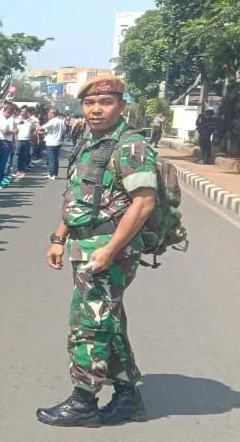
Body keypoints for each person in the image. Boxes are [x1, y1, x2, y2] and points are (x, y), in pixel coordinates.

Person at [39, 75, 156, 427]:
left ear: (121, 105)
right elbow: (77, 197)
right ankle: (127, 398)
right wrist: (58, 237)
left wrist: (109, 249)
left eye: (104, 103)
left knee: (89, 324)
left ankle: (84, 401)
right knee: (111, 322)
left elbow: (144, 203)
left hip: (109, 251)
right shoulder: (91, 142)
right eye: (89, 103)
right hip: (84, 245)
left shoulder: (129, 146)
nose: (95, 109)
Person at [43, 108, 66, 179]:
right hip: (57, 142)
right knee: (55, 159)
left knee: (51, 159)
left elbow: (42, 127)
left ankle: (52, 174)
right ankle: (55, 174)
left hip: (51, 142)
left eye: (49, 113)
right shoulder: (61, 121)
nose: (48, 114)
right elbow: (64, 130)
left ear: (53, 114)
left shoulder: (52, 121)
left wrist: (36, 123)